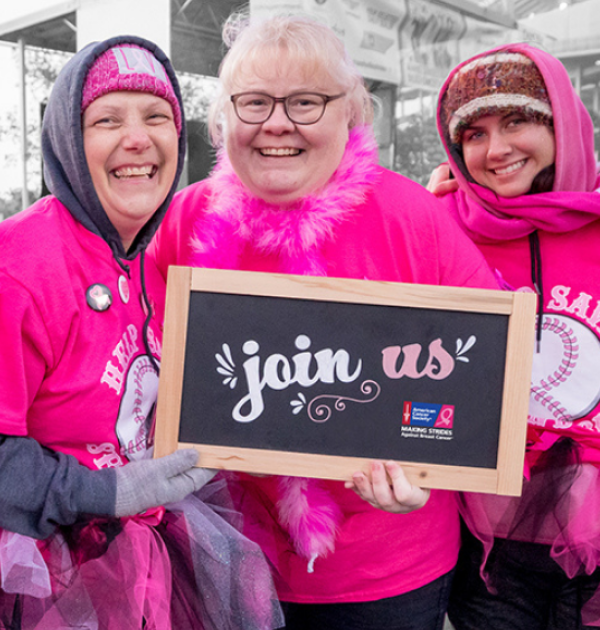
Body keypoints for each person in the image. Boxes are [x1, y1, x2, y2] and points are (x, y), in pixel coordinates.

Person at [0, 36, 283, 630]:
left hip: (157, 558)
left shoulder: (163, 258)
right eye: (107, 119)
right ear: (67, 141)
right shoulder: (17, 267)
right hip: (47, 582)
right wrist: (101, 492)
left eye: (157, 116)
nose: (137, 139)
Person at [151, 14, 499, 630]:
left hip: (388, 571)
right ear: (225, 118)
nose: (277, 123)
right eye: (254, 102)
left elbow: (485, 377)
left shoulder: (412, 217)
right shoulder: (184, 220)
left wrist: (432, 467)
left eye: (306, 102)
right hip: (226, 554)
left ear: (350, 114)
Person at [427, 43, 600, 629]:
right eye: (473, 134)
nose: (496, 150)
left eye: (518, 120)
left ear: (562, 123)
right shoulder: (438, 228)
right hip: (489, 552)